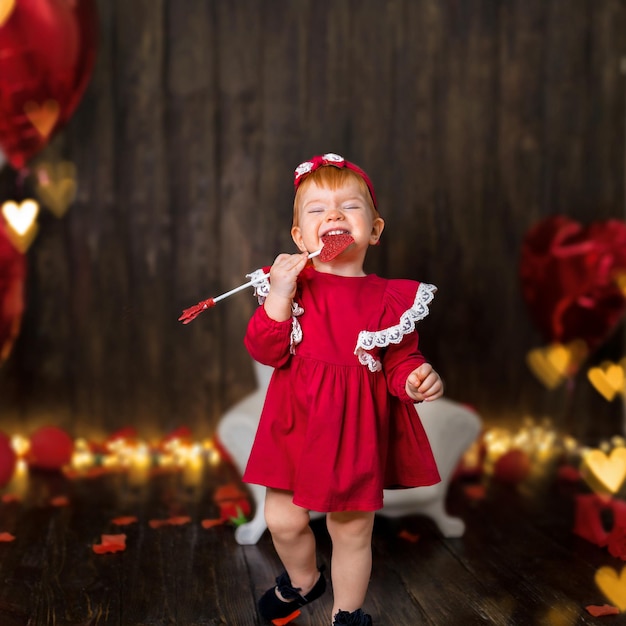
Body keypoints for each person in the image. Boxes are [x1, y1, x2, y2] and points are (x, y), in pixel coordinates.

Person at [242, 153, 444, 626]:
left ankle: (347, 615)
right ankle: (304, 581)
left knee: (351, 531)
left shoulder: (390, 299)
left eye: (347, 208)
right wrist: (278, 295)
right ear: (299, 238)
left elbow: (398, 359)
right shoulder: (292, 290)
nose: (332, 216)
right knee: (284, 521)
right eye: (316, 210)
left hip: (356, 429)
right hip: (295, 424)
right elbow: (264, 350)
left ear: (373, 230)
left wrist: (415, 377)